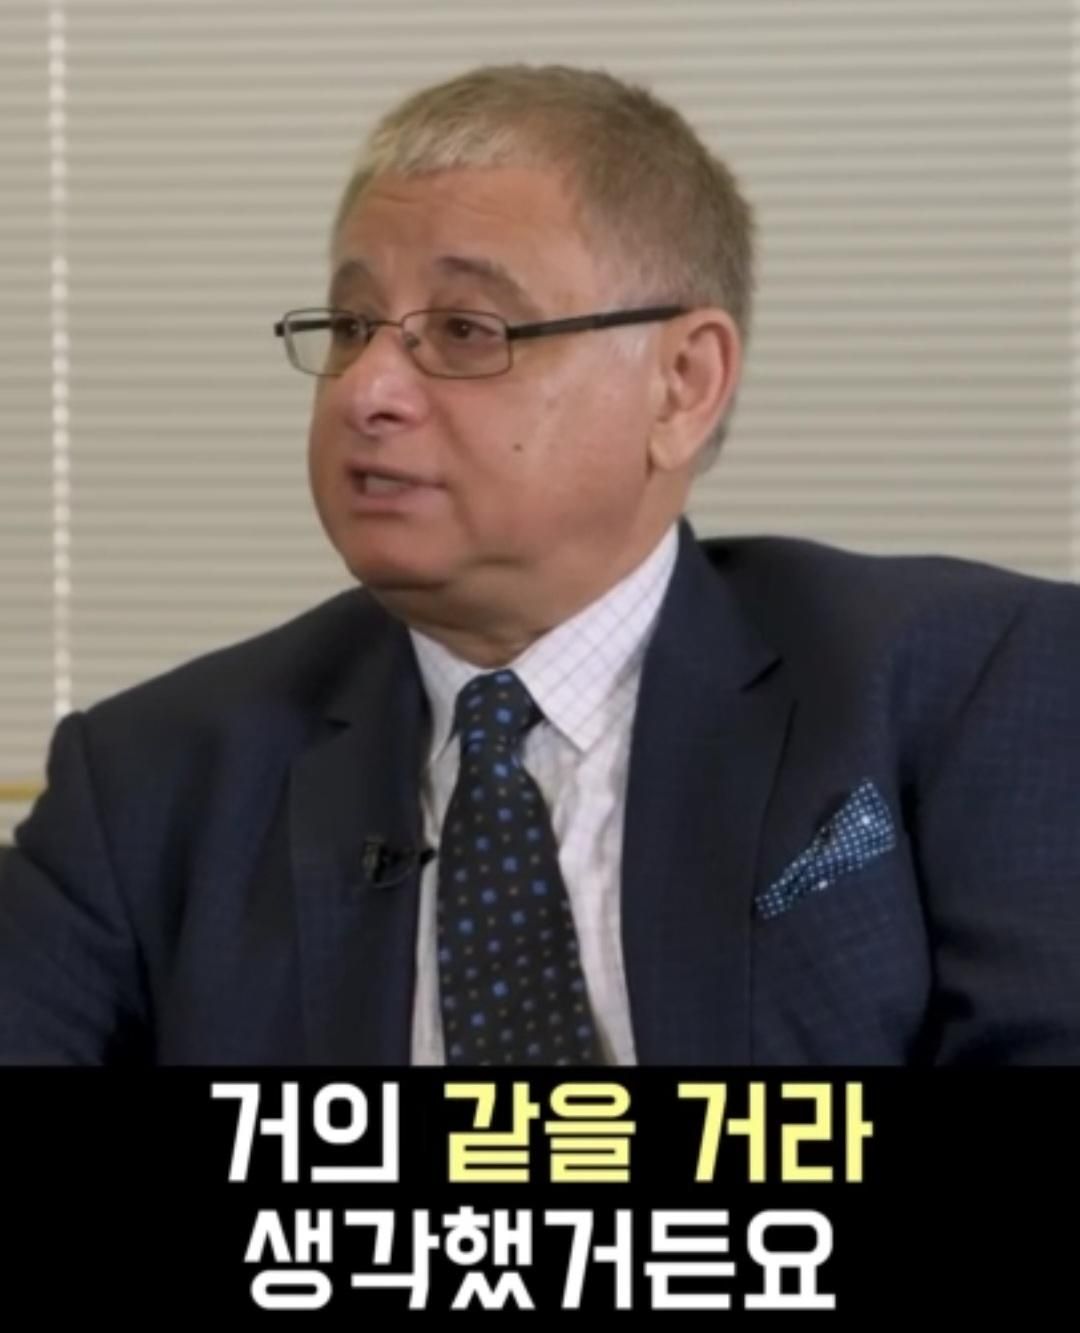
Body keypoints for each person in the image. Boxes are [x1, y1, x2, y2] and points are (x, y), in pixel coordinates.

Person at [1, 64, 1078, 1066]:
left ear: (682, 384)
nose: (367, 389)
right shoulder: (148, 780)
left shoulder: (963, 682)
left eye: (467, 330)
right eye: (353, 324)